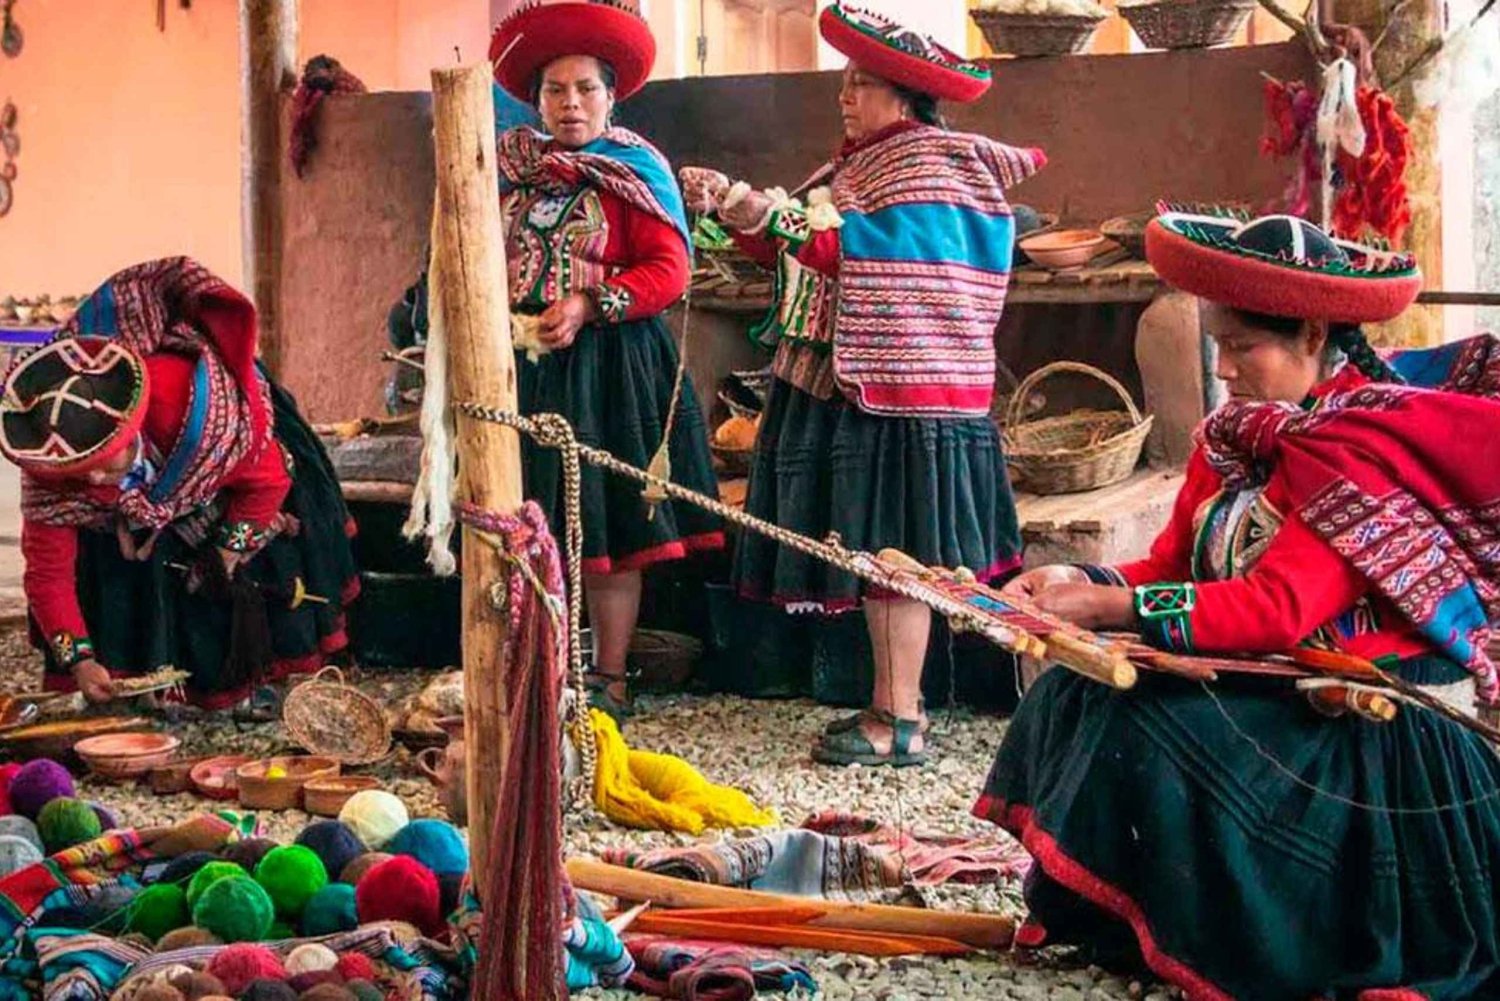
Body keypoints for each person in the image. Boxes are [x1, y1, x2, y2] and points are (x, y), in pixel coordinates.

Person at [978, 208, 1500, 999]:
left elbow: (1279, 605)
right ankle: (1135, 929)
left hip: (1369, 729)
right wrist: (1080, 585)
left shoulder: (1356, 447)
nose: (1223, 368)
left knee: (1152, 729)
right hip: (1281, 687)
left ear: (1313, 337)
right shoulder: (1239, 439)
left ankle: (1260, 943)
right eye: (1218, 343)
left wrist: (1105, 610)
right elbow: (1172, 563)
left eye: (1242, 345)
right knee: (1076, 691)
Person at [680, 3, 1044, 766]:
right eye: (846, 82)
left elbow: (864, 253)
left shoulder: (929, 166)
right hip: (848, 384)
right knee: (882, 553)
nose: (846, 96)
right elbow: (804, 249)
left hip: (899, 394)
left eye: (862, 84)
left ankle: (901, 717)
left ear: (905, 98)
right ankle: (891, 707)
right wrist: (735, 210)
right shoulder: (863, 163)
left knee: (897, 555)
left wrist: (758, 206)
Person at [489, 0, 722, 719]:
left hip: (613, 367)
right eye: (555, 91)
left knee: (612, 520)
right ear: (535, 100)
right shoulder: (517, 174)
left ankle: (609, 675)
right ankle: (536, 668)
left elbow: (669, 269)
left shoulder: (634, 170)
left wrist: (591, 304)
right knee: (528, 514)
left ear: (611, 95)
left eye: (586, 88)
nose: (570, 104)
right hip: (527, 368)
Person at [2, 258, 358, 711]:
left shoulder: (197, 411)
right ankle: (135, 676)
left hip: (239, 459)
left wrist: (227, 553)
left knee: (250, 567)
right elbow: (48, 575)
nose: (91, 477)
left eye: (100, 462)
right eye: (79, 470)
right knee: (111, 564)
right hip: (147, 491)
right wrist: (79, 661)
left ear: (131, 426)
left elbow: (266, 481)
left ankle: (256, 678)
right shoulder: (49, 469)